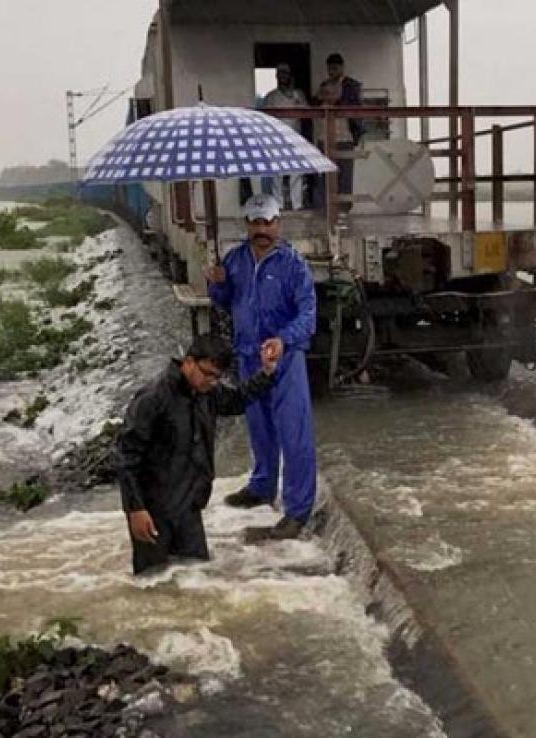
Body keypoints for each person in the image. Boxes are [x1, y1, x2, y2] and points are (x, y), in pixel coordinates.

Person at [115, 334, 279, 576]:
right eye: (207, 373)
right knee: (153, 584)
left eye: (217, 377)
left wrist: (266, 373)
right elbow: (125, 456)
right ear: (189, 362)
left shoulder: (206, 392)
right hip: (154, 510)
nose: (211, 381)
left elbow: (236, 400)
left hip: (189, 507)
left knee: (198, 580)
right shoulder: (153, 398)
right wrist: (135, 510)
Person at [205, 193, 318, 540]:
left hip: (284, 357)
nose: (262, 229)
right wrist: (217, 282)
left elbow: (308, 315)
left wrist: (283, 339)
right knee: (259, 427)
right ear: (246, 225)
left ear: (278, 223)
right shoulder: (235, 260)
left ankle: (298, 510)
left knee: (294, 433)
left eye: (267, 222)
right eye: (255, 223)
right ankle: (262, 486)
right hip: (249, 356)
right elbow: (223, 302)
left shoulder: (293, 265)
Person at [258, 63, 309, 210]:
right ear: (276, 76)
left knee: (297, 171)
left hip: (295, 137)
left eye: (286, 73)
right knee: (277, 173)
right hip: (276, 138)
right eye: (280, 73)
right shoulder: (271, 96)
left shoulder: (298, 94)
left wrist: (295, 98)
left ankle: (297, 205)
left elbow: (307, 111)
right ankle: (277, 205)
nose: (283, 76)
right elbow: (264, 117)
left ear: (290, 75)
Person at [316, 53, 364, 209]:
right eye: (329, 68)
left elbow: (355, 109)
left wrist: (336, 101)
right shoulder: (323, 86)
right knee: (326, 177)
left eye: (335, 68)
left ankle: (344, 210)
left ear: (342, 68)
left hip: (345, 137)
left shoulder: (351, 86)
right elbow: (315, 103)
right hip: (326, 139)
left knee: (345, 176)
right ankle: (327, 209)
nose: (332, 71)